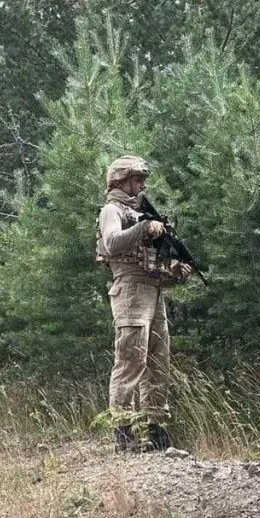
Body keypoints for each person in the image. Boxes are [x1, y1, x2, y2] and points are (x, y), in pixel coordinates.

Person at [95, 156, 192, 452]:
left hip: (153, 291)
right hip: (130, 292)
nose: (142, 185)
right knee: (130, 362)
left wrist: (175, 270)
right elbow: (111, 244)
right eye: (137, 179)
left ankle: (156, 431)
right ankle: (124, 434)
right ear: (120, 181)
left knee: (158, 363)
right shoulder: (112, 210)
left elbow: (154, 261)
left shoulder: (142, 214)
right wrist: (144, 227)